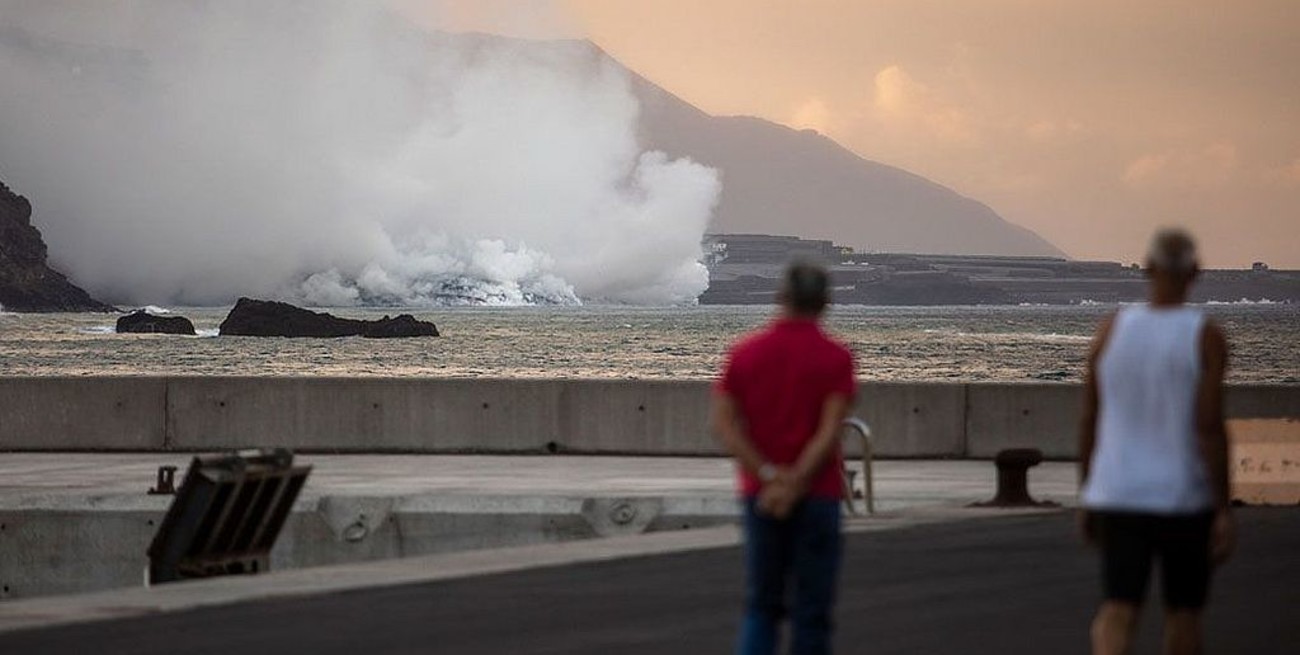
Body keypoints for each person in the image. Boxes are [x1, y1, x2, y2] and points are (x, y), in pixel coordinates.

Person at [1078, 228, 1236, 655]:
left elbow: (1091, 416)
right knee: (1183, 613)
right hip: (1182, 496)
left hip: (1119, 493)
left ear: (1146, 268)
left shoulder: (1110, 331)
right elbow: (1208, 427)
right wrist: (1223, 505)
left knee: (1117, 608)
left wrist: (1088, 488)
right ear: (1196, 272)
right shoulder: (1205, 336)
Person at [711, 261, 856, 655]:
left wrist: (770, 477)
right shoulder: (836, 357)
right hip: (820, 494)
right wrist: (796, 480)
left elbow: (725, 426)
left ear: (781, 297)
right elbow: (829, 432)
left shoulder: (744, 354)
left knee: (762, 605)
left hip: (761, 494)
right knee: (813, 610)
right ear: (825, 302)